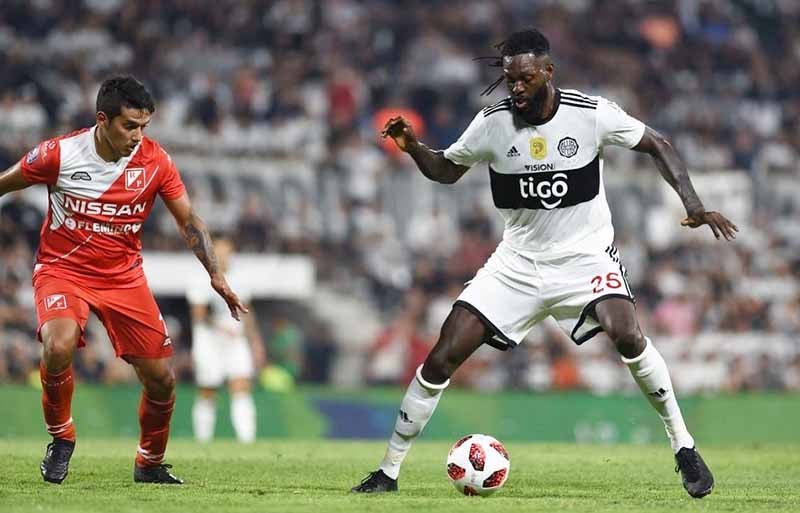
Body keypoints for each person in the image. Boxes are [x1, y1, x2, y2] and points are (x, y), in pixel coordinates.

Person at [351, 29, 738, 499]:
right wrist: (413, 147)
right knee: (441, 356)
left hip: (584, 258)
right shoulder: (491, 123)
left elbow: (658, 143)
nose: (515, 88)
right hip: (516, 264)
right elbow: (447, 170)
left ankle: (684, 446)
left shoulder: (591, 114)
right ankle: (388, 472)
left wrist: (693, 205)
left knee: (628, 333)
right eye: (509, 79)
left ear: (548, 73)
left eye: (525, 78)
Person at [0, 76, 248, 485]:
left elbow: (188, 220)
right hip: (63, 270)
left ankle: (149, 463)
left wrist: (216, 277)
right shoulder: (59, 154)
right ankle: (62, 438)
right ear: (103, 119)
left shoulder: (156, 162)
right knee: (58, 345)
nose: (138, 136)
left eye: (144, 127)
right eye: (129, 126)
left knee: (162, 379)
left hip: (123, 278)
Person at [188, 235, 265, 443]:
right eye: (218, 252)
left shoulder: (240, 278)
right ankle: (203, 441)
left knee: (241, 385)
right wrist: (221, 327)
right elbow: (199, 314)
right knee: (208, 388)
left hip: (236, 340)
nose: (222, 256)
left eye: (226, 252)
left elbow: (248, 312)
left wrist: (255, 341)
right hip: (209, 341)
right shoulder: (200, 278)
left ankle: (246, 441)